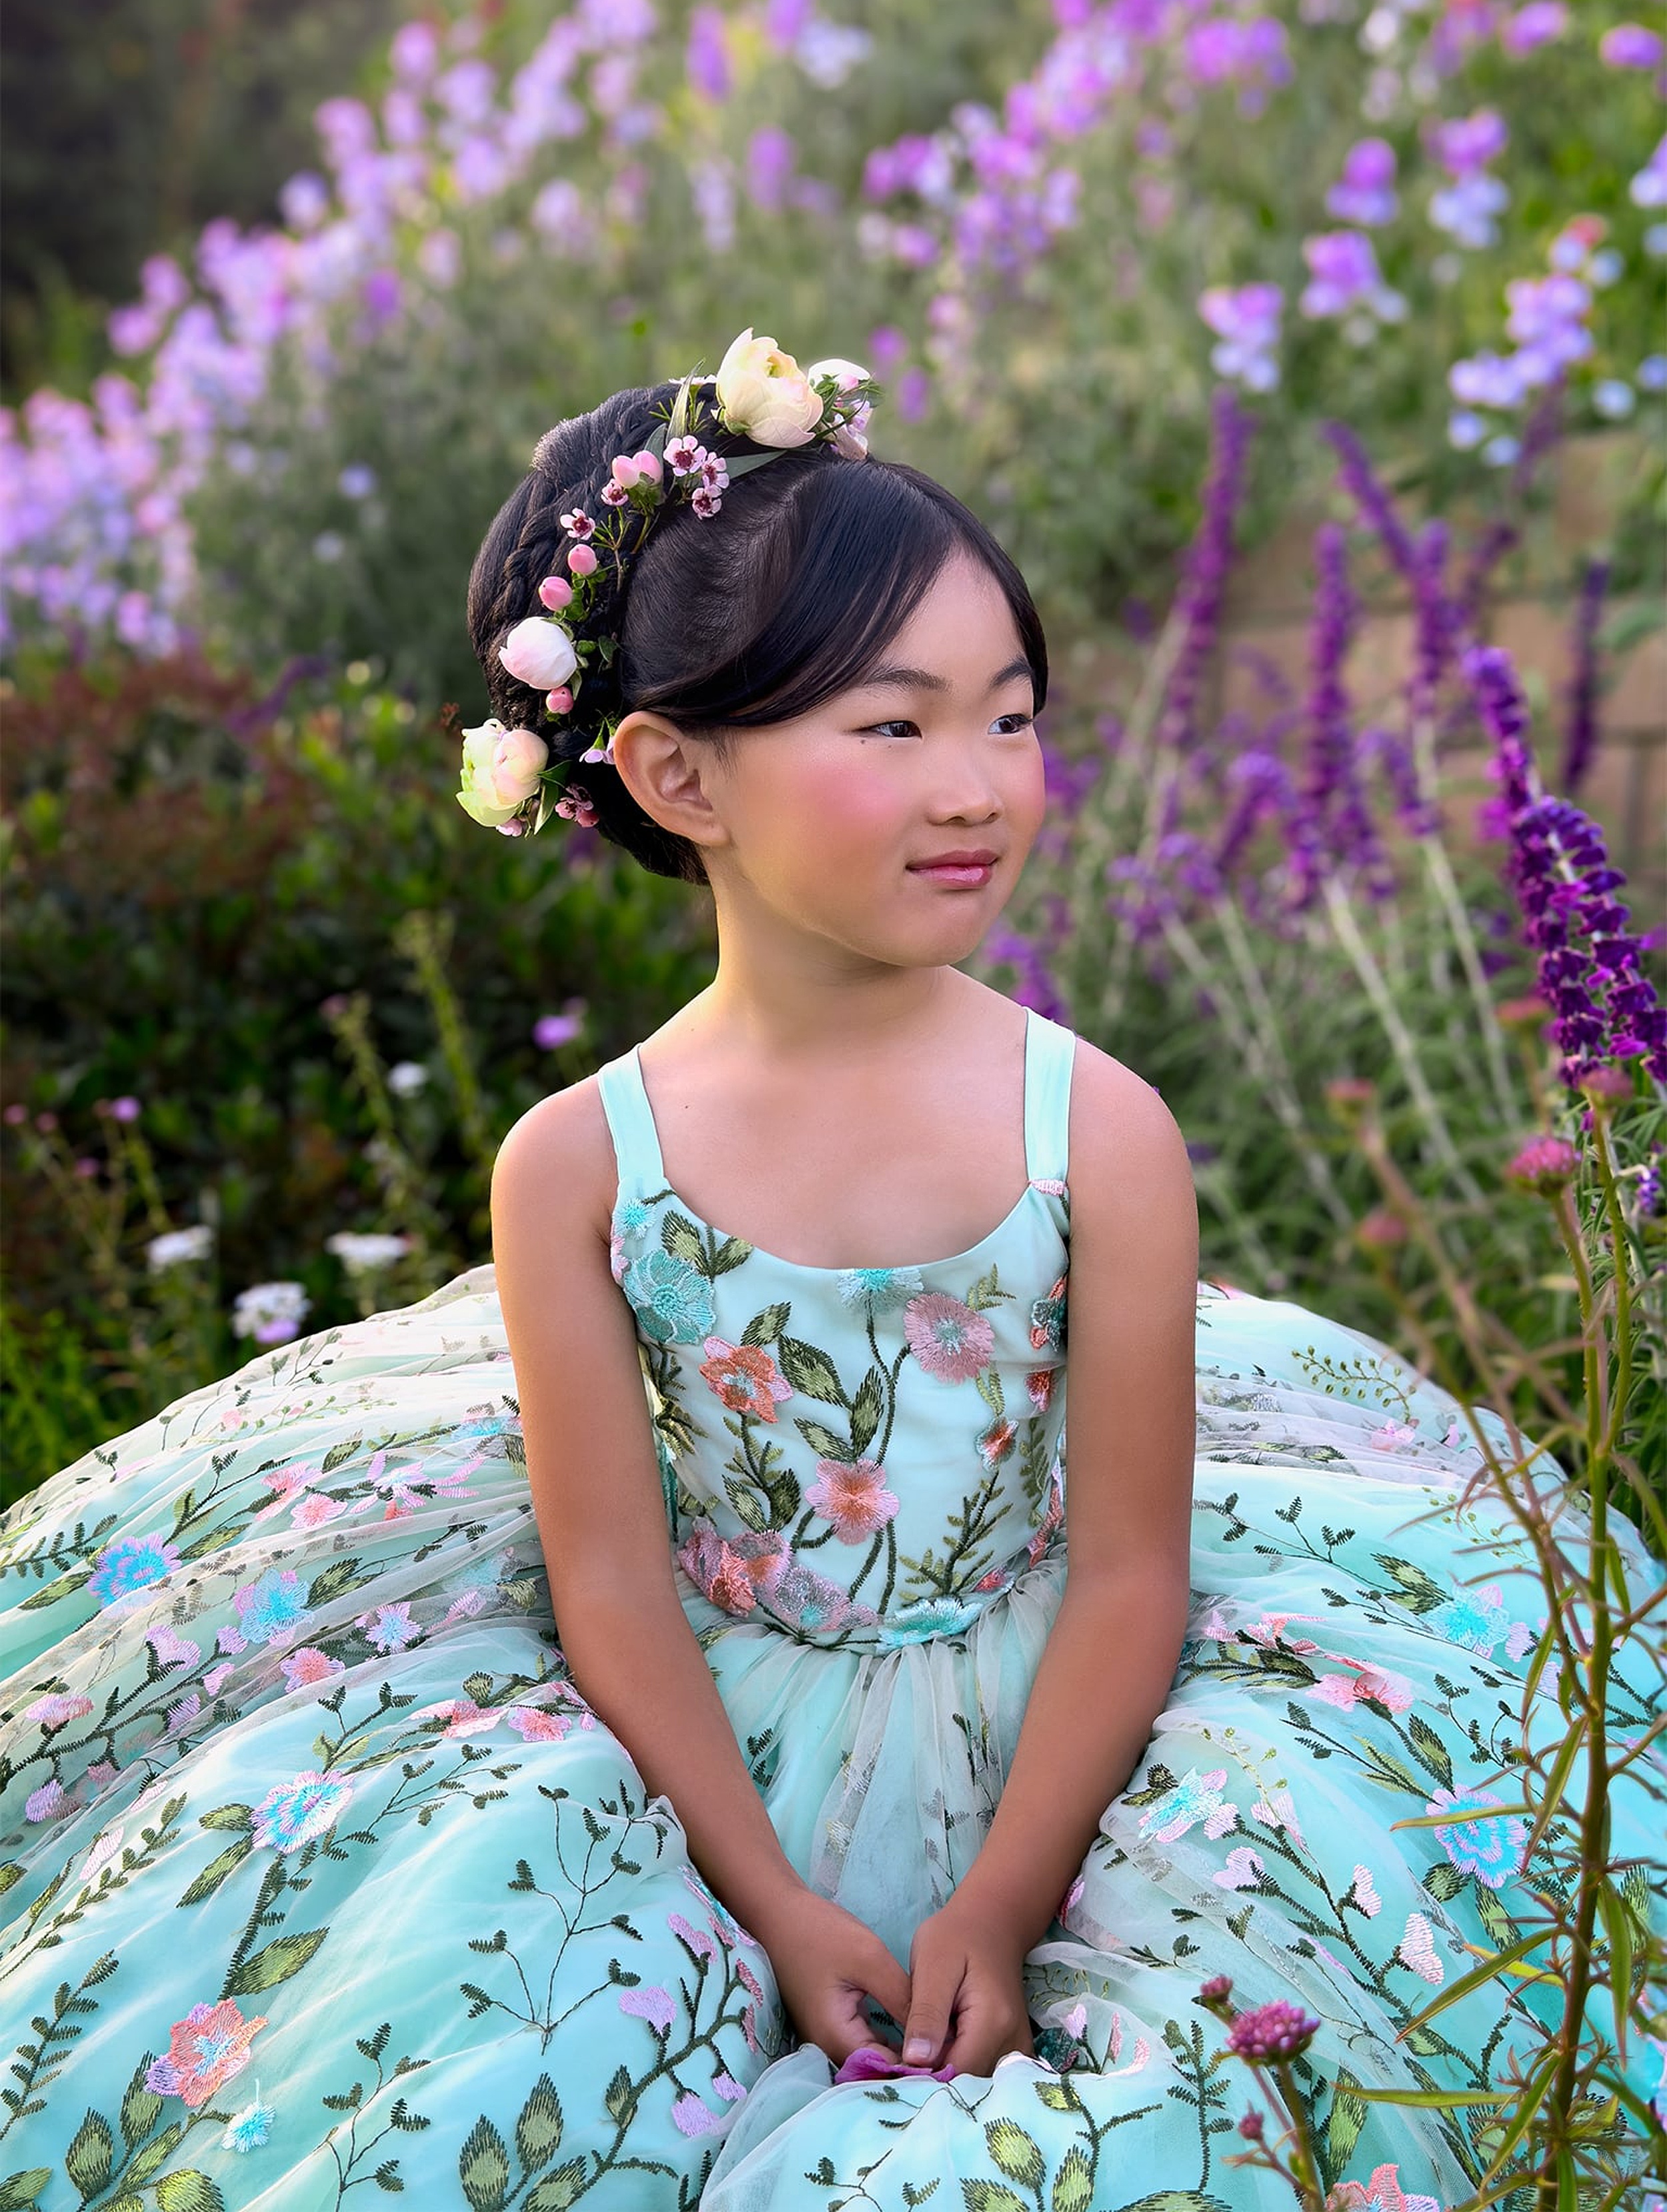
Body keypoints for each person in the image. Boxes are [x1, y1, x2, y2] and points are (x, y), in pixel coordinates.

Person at [1, 334, 1661, 2212]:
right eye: (893, 728)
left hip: (1066, 1724)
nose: (979, 787)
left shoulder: (1093, 1129)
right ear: (672, 773)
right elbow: (609, 1577)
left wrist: (1009, 1896)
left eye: (1011, 717)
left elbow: (1128, 1565)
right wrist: (773, 1903)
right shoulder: (575, 1165)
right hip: (709, 1735)